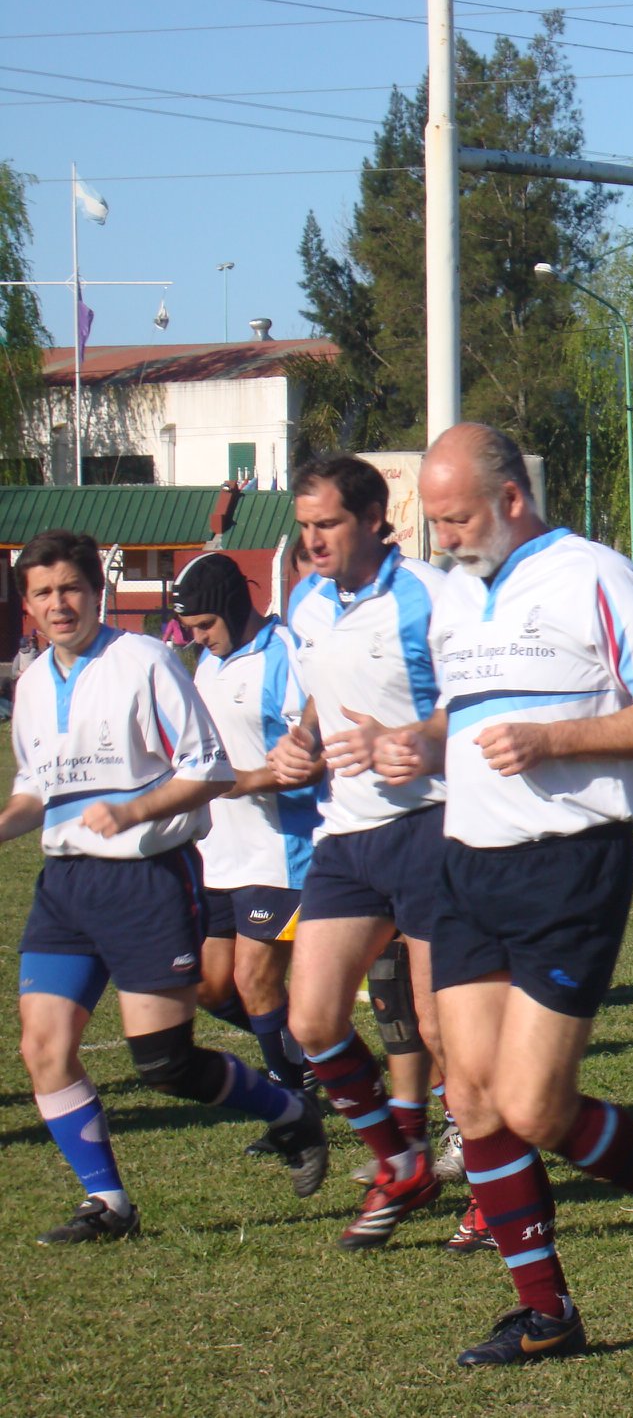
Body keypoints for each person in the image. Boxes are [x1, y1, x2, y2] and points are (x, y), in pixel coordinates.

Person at [369, 424, 633, 1366]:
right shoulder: (454, 595)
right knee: (473, 1099)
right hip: (465, 863)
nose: (443, 538)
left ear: (512, 499)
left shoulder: (596, 576)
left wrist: (554, 740)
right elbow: (464, 713)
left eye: (455, 519)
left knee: (532, 1105)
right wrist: (417, 741)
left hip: (569, 864)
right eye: (435, 522)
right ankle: (547, 1313)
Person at [8, 530, 327, 1244]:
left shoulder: (144, 661)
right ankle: (108, 1202)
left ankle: (290, 1112)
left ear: (97, 593)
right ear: (26, 605)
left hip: (147, 879)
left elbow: (208, 770)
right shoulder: (30, 685)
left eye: (71, 588)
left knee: (164, 1064)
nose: (58, 604)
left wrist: (132, 812)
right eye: (43, 593)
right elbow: (34, 790)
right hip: (65, 886)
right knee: (42, 1048)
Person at [269, 453, 455, 1251]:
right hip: (345, 836)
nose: (313, 541)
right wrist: (301, 739)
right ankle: (401, 1164)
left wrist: (412, 738)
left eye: (328, 524)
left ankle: (495, 1183)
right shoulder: (306, 600)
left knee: (445, 1031)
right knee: (312, 1020)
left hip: (432, 826)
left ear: (377, 521)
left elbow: (477, 703)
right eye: (305, 526)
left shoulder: (431, 596)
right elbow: (320, 689)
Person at [172, 553, 323, 1155]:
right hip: (219, 852)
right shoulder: (208, 663)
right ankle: (311, 1060)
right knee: (211, 988)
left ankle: (292, 1106)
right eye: (191, 629)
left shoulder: (287, 655)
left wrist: (241, 782)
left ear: (234, 608)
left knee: (254, 979)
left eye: (205, 624)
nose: (198, 638)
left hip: (282, 850)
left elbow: (315, 758)